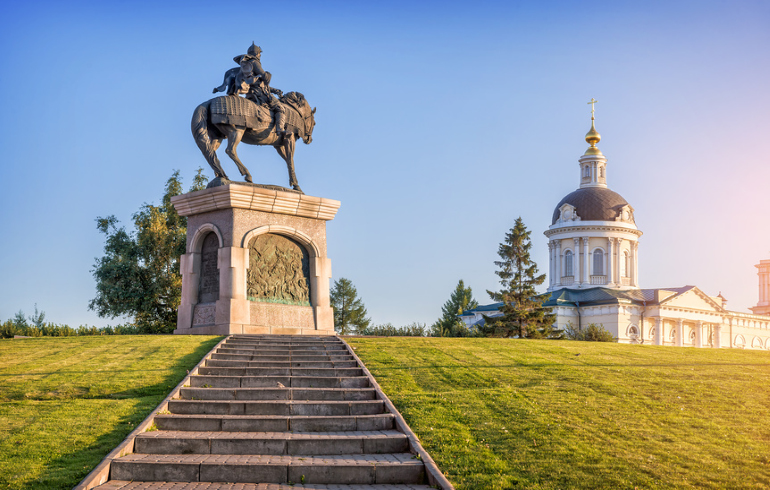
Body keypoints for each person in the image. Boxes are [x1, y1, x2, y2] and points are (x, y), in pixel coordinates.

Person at [212, 43, 287, 137]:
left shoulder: (246, 66)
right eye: (259, 54)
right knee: (280, 108)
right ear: (256, 54)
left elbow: (260, 84)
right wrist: (268, 74)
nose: (260, 55)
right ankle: (280, 129)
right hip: (260, 95)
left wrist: (275, 90)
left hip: (251, 94)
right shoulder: (254, 62)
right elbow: (264, 78)